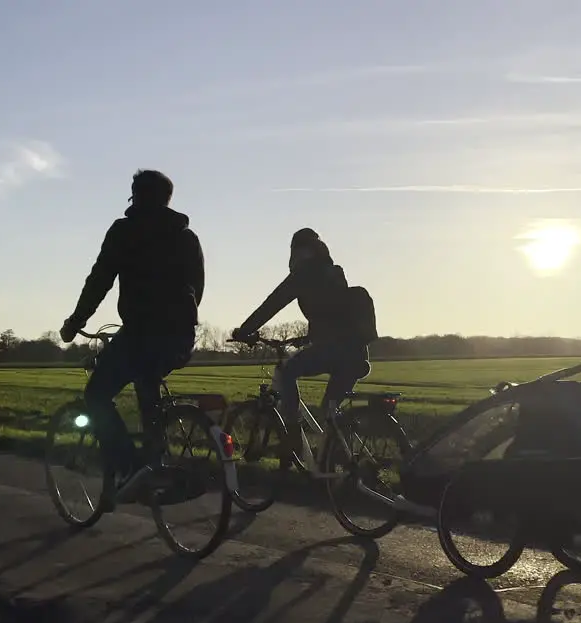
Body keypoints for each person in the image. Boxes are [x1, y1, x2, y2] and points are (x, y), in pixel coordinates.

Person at [60, 169, 204, 509]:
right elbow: (197, 288)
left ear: (135, 195)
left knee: (96, 394)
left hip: (142, 331)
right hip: (181, 334)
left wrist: (75, 322)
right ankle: (157, 462)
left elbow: (100, 279)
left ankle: (132, 469)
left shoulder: (126, 231)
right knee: (147, 383)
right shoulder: (187, 237)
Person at [230, 228, 373, 452]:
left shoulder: (304, 273)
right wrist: (307, 339)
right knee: (330, 413)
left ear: (298, 252)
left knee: (286, 372)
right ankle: (338, 465)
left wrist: (245, 330)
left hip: (333, 352)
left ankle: (292, 434)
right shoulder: (332, 273)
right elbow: (333, 316)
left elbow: (273, 303)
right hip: (356, 354)